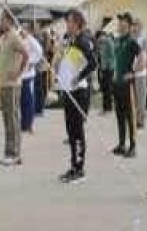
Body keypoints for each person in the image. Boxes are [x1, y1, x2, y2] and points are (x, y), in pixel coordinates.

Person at [57, 9, 96, 183]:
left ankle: (79, 168)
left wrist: (78, 78)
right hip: (68, 91)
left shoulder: (83, 41)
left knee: (77, 130)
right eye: (67, 22)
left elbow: (93, 64)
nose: (67, 25)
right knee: (71, 131)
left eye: (70, 22)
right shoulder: (71, 41)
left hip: (79, 92)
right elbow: (72, 63)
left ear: (78, 23)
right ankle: (73, 165)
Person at [0, 10, 27, 166]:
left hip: (12, 85)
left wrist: (18, 72)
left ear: (9, 20)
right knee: (7, 119)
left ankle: (14, 153)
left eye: (2, 20)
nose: (1, 23)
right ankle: (9, 152)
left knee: (13, 119)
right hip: (4, 84)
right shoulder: (5, 37)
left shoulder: (14, 36)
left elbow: (26, 54)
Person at [111, 12, 141, 158]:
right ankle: (121, 143)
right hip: (117, 83)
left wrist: (134, 73)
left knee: (130, 115)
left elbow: (143, 57)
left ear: (129, 26)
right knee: (119, 114)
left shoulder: (131, 41)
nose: (121, 26)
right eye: (120, 23)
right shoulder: (117, 40)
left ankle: (133, 145)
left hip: (127, 84)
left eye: (124, 23)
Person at [21, 22, 43, 133]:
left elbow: (39, 52)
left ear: (29, 30)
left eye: (25, 28)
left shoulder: (31, 40)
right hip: (20, 75)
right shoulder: (20, 39)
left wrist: (31, 62)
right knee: (22, 101)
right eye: (21, 27)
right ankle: (23, 123)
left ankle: (29, 124)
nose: (22, 30)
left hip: (28, 75)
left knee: (29, 100)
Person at [132, 18, 147, 130]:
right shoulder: (132, 38)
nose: (134, 27)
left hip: (141, 73)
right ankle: (134, 118)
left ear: (141, 26)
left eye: (137, 25)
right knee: (134, 98)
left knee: (141, 97)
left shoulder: (144, 39)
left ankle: (141, 120)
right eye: (134, 25)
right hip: (132, 72)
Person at [97, 18, 116, 114]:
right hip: (104, 68)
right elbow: (101, 56)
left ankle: (108, 108)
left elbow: (112, 55)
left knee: (107, 88)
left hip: (109, 69)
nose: (99, 39)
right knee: (104, 88)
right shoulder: (102, 43)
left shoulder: (108, 41)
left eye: (100, 37)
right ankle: (105, 107)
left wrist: (107, 66)